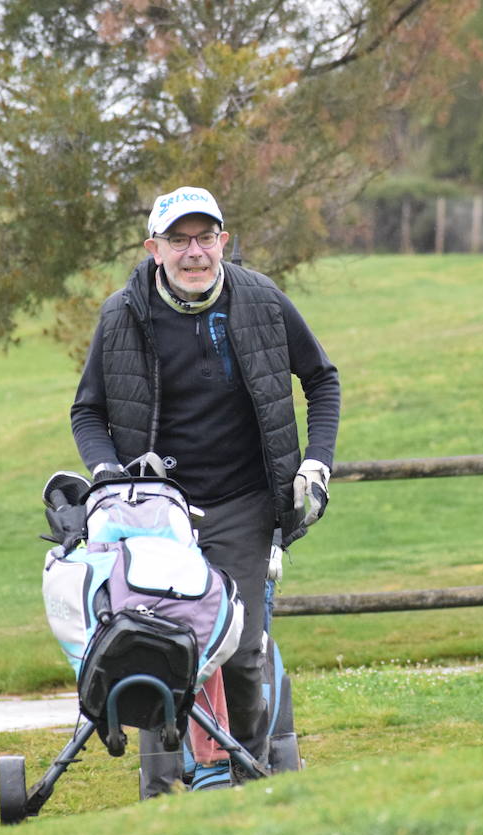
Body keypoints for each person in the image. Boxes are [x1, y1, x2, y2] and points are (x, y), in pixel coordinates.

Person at [70, 186, 341, 795]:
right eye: (179, 240)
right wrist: (110, 475)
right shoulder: (122, 314)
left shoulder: (262, 300)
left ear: (223, 241)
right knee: (154, 648)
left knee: (243, 649)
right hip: (154, 511)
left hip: (244, 502)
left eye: (205, 237)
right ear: (154, 249)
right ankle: (164, 791)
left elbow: (321, 380)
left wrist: (316, 465)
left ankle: (251, 781)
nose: (194, 252)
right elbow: (87, 414)